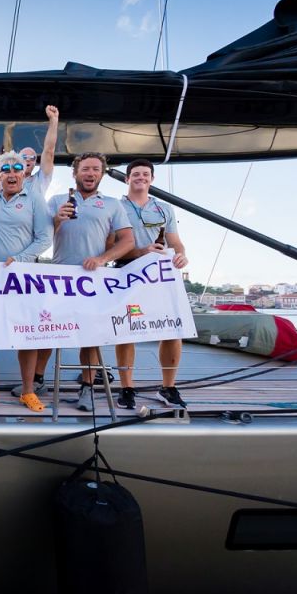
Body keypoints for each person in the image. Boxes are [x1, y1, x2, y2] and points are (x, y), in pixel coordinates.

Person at [36, 152, 135, 411]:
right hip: (58, 276)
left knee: (90, 336)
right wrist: (57, 220)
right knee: (47, 331)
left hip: (93, 279)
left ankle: (88, 388)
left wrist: (103, 258)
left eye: (95, 169)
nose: (90, 173)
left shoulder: (113, 204)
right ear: (75, 173)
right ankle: (37, 380)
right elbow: (41, 238)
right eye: (85, 169)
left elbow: (128, 241)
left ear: (101, 174)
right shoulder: (57, 200)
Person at [0, 152, 53, 411]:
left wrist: (19, 259)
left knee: (28, 336)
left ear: (24, 173)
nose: (11, 172)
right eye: (5, 168)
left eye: (16, 168)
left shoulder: (35, 199)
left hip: (24, 277)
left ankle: (28, 391)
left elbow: (44, 238)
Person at [113, 158, 190, 409]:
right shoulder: (116, 207)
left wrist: (181, 254)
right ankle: (127, 387)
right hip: (127, 273)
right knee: (126, 331)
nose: (141, 178)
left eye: (146, 174)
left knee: (172, 329)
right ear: (127, 179)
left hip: (159, 277)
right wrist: (141, 251)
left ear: (152, 179)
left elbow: (175, 241)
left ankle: (168, 387)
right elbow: (112, 246)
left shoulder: (164, 209)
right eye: (136, 174)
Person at [0, 105, 59, 198]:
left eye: (32, 158)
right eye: (24, 157)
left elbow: (49, 151)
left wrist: (54, 120)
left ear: (35, 163)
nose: (28, 160)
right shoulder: (5, 178)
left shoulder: (40, 180)